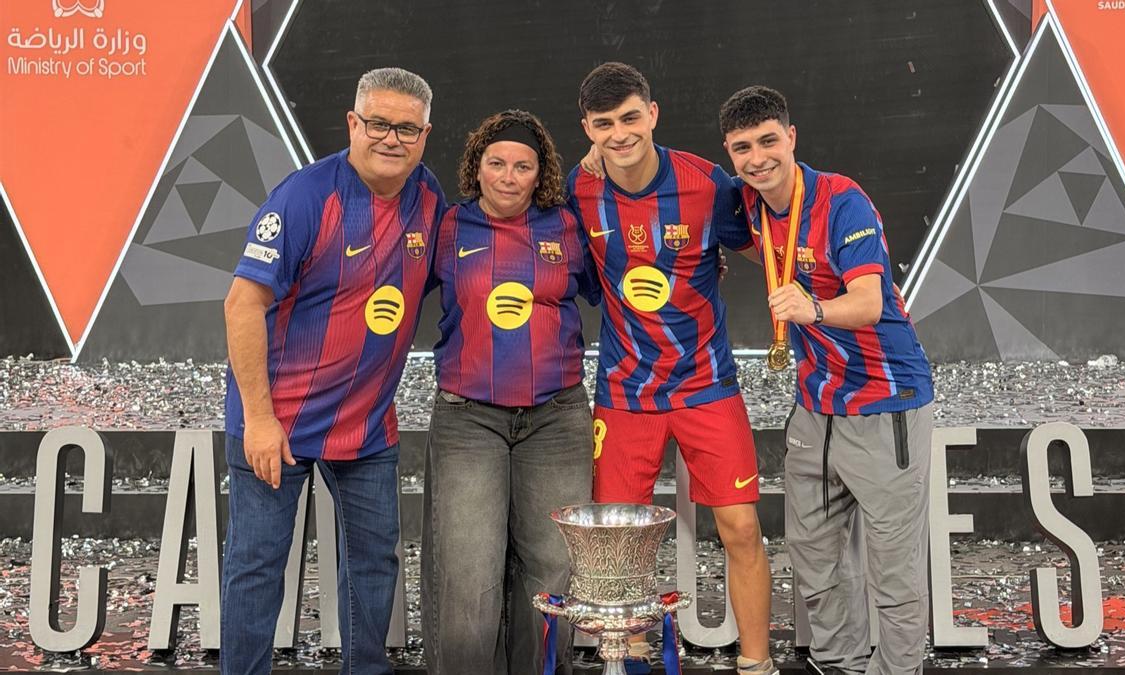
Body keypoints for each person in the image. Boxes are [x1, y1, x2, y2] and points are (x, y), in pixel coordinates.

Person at [221, 67, 444, 675]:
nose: (391, 139)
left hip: (366, 428)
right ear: (353, 123)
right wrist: (259, 420)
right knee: (257, 566)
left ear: (425, 135)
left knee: (373, 566)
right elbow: (242, 305)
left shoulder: (428, 196)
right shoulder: (304, 198)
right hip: (278, 424)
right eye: (378, 124)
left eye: (406, 129)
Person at [568, 62, 778, 675]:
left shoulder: (706, 183)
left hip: (706, 384)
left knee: (741, 528)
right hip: (624, 391)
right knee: (620, 545)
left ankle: (757, 664)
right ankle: (629, 664)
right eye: (604, 124)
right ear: (588, 129)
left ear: (653, 113)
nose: (620, 134)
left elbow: (769, 241)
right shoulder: (579, 189)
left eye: (630, 118)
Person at [719, 85, 935, 674]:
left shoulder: (843, 201)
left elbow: (868, 302)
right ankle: (840, 664)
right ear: (730, 152)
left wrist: (811, 308)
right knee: (814, 558)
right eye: (743, 148)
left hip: (885, 400)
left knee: (893, 573)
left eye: (768, 141)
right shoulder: (747, 201)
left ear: (791, 137)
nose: (757, 158)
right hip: (816, 405)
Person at [420, 109, 597, 675]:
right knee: (468, 576)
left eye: (523, 166)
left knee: (553, 574)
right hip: (468, 420)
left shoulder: (566, 227)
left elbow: (618, 282)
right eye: (496, 163)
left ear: (540, 174)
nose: (508, 177)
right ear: (477, 166)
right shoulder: (449, 228)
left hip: (556, 418)